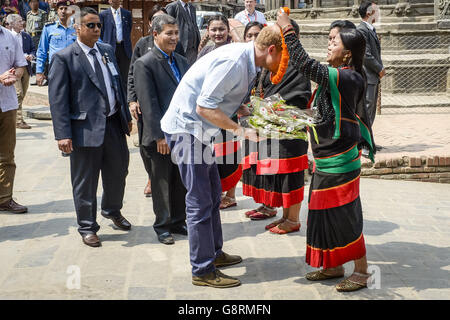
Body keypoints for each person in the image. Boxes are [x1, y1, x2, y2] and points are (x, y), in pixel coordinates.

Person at [160, 25, 284, 288]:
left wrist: (257, 112)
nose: (282, 65)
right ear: (271, 50)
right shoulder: (234, 62)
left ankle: (214, 253)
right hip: (187, 130)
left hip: (201, 132)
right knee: (199, 200)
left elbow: (226, 100)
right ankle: (202, 269)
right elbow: (204, 106)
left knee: (213, 194)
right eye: (282, 58)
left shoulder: (249, 62)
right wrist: (241, 131)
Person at [277, 9, 375, 292]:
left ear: (348, 54)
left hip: (340, 162)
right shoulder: (334, 78)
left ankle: (363, 271)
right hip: (324, 161)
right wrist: (290, 117)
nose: (329, 43)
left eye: (335, 41)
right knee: (321, 214)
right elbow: (324, 115)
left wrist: (287, 30)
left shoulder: (349, 77)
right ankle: (332, 266)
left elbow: (304, 64)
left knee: (344, 215)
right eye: (329, 39)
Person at [48, 7, 133, 248]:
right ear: (77, 28)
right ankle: (87, 226)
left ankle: (112, 210)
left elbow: (116, 83)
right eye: (91, 26)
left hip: (113, 124)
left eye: (99, 25)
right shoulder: (64, 58)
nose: (97, 29)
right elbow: (58, 100)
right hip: (84, 129)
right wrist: (62, 134)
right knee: (85, 181)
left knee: (119, 172)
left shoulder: (106, 51)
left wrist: (124, 114)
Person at [242, 19, 312, 235]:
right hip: (270, 128)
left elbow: (297, 97)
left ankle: (293, 220)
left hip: (290, 129)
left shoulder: (299, 65)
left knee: (291, 175)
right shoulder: (273, 61)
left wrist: (263, 108)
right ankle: (283, 215)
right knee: (278, 175)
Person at [134, 14, 189, 246]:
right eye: (169, 33)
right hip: (160, 137)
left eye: (176, 33)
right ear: (155, 34)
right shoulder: (145, 63)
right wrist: (159, 136)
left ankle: (178, 220)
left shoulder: (182, 61)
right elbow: (148, 104)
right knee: (161, 182)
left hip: (181, 133)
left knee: (179, 180)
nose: (174, 37)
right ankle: (163, 225)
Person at [196, 15, 242, 210]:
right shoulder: (205, 51)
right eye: (214, 29)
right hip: (209, 110)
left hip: (229, 108)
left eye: (222, 29)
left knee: (229, 153)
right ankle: (217, 191)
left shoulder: (235, 49)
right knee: (213, 153)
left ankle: (231, 195)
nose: (218, 33)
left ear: (228, 31)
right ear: (208, 31)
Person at [127, 5, 167, 198]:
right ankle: (151, 176)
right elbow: (132, 74)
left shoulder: (175, 44)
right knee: (147, 145)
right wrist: (132, 100)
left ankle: (165, 179)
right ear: (151, 24)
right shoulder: (142, 44)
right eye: (156, 20)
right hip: (146, 106)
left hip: (167, 105)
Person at [0, 22, 28, 214]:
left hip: (7, 104)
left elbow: (20, 65)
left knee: (7, 155)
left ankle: (4, 198)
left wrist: (14, 75)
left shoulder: (10, 37)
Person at [35, 0, 76, 86]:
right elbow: (42, 50)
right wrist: (39, 71)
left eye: (66, 8)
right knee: (57, 96)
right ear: (57, 11)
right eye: (61, 8)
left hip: (75, 68)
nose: (63, 11)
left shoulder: (77, 28)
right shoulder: (49, 28)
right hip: (56, 68)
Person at [357, 1, 384, 128]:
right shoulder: (362, 30)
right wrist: (379, 68)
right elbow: (365, 54)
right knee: (366, 109)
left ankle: (369, 140)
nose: (378, 14)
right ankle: (362, 142)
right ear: (369, 13)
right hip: (367, 75)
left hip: (372, 76)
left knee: (371, 110)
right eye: (376, 11)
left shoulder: (370, 29)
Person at [7, 14, 35, 129]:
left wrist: (31, 56)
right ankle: (18, 120)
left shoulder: (26, 36)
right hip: (14, 69)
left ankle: (13, 115)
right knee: (18, 94)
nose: (22, 23)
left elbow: (33, 49)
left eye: (22, 21)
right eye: (19, 21)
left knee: (22, 93)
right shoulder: (7, 37)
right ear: (12, 24)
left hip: (26, 68)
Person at [99, 0, 132, 86]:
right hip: (109, 48)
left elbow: (129, 28)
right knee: (111, 74)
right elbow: (101, 32)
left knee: (125, 75)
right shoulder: (103, 15)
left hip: (124, 48)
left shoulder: (127, 14)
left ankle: (124, 97)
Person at [165, 0, 200, 66]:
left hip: (193, 48)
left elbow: (194, 25)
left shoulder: (192, 7)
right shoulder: (172, 7)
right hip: (180, 47)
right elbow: (167, 27)